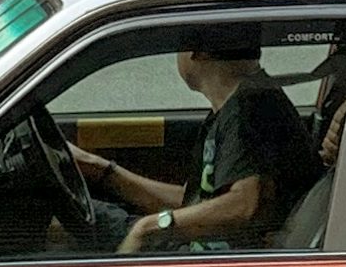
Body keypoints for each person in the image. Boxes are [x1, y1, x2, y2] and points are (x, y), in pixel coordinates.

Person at [75, 25, 322, 254]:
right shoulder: (235, 106)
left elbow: (245, 205)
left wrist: (151, 227)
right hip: (198, 254)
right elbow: (195, 203)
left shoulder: (251, 112)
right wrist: (103, 170)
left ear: (198, 52)